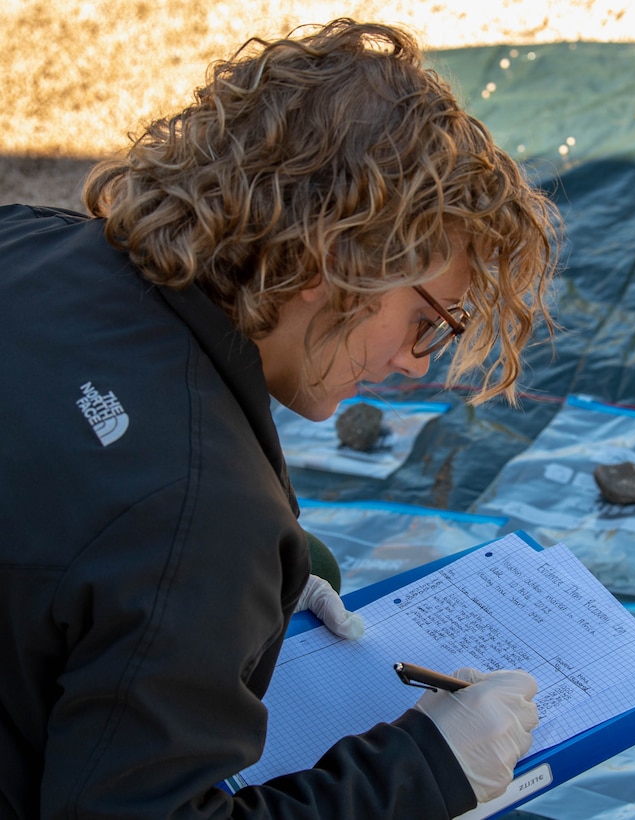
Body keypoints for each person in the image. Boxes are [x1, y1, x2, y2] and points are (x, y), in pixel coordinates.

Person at [0, 17, 560, 820]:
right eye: (429, 318)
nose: (418, 361)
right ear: (335, 262)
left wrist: (224, 595)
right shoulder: (203, 515)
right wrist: (423, 774)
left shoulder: (28, 241)